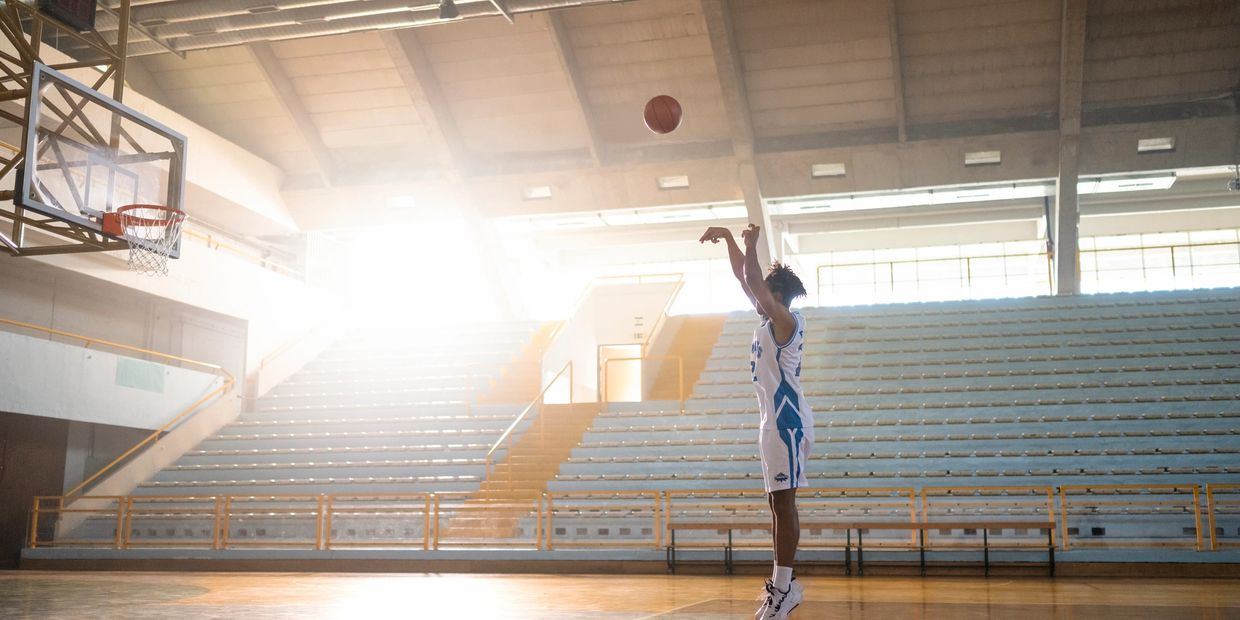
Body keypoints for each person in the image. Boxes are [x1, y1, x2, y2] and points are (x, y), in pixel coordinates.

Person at [700, 224, 811, 620]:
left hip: (788, 421)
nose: (756, 296)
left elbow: (751, 278)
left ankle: (785, 588)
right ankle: (783, 585)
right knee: (775, 504)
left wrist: (750, 244)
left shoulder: (787, 321)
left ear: (776, 295)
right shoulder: (767, 318)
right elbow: (743, 277)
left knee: (784, 503)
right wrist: (731, 240)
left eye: (765, 291)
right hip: (771, 422)